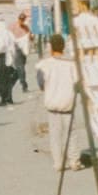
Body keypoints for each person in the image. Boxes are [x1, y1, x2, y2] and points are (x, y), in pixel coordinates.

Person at [37, 32, 82, 171]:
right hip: (68, 104)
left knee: (55, 136)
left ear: (50, 47)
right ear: (63, 47)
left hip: (52, 104)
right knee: (71, 134)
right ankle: (74, 162)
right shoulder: (72, 64)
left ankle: (58, 164)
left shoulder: (43, 65)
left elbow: (40, 83)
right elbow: (78, 84)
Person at [0, 18, 19, 108]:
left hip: (3, 57)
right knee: (8, 78)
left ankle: (4, 98)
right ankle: (9, 98)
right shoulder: (8, 32)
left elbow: (0, 45)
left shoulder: (0, 33)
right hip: (10, 57)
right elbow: (14, 43)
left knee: (1, 78)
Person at [13, 12, 32, 96]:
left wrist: (31, 36)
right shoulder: (13, 27)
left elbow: (31, 38)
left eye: (23, 19)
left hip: (23, 51)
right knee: (20, 68)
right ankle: (24, 85)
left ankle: (19, 82)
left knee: (20, 68)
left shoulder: (26, 28)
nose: (21, 21)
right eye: (20, 19)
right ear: (18, 19)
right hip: (16, 49)